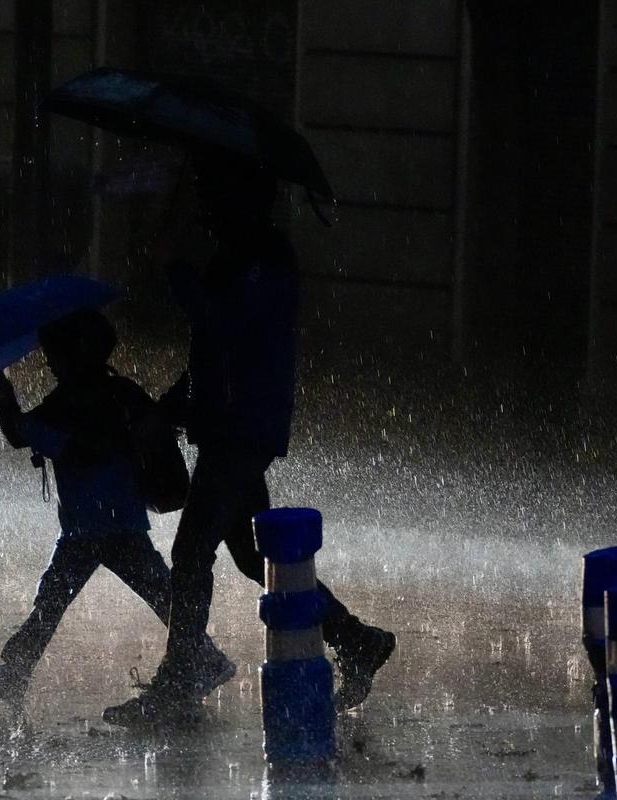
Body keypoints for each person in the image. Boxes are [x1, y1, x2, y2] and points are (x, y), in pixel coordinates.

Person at [103, 149, 396, 726]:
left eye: (212, 197)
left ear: (243, 200)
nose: (204, 210)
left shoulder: (265, 261)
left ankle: (183, 674)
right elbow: (212, 359)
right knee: (253, 555)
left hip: (243, 431)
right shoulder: (237, 257)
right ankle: (354, 637)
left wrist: (176, 270)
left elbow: (228, 330)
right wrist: (169, 408)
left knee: (190, 551)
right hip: (228, 428)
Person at [0, 309, 231, 706]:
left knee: (60, 595)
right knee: (150, 591)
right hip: (116, 517)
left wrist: (7, 402)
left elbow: (26, 435)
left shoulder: (75, 396)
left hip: (95, 524)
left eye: (54, 353)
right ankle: (204, 656)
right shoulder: (117, 389)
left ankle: (18, 670)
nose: (50, 361)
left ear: (74, 351)